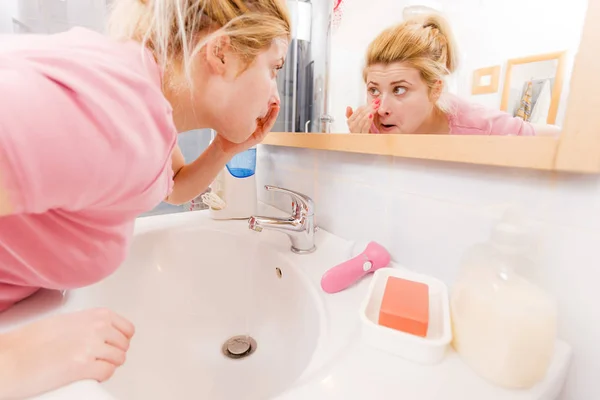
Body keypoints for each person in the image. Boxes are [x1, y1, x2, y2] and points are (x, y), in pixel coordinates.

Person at [0, 0, 290, 397]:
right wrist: (13, 359)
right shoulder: (119, 112)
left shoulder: (146, 101)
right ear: (221, 53)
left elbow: (171, 186)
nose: (275, 92)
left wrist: (226, 148)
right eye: (274, 67)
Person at [346, 14, 561, 137]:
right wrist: (360, 146)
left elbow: (554, 136)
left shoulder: (477, 123)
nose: (382, 109)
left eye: (399, 89)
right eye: (374, 90)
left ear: (435, 90)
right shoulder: (372, 126)